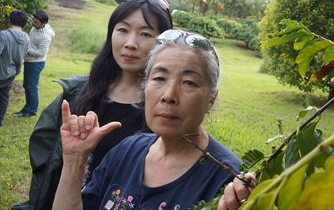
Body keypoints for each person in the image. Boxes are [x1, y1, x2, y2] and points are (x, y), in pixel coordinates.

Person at [52, 29, 254, 210]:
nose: (169, 95)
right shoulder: (126, 150)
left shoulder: (229, 182)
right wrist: (74, 161)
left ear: (211, 99)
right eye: (159, 78)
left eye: (189, 82)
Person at [12, 0, 173, 210]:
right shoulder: (77, 93)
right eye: (123, 30)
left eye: (145, 34)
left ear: (163, 43)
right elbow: (45, 159)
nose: (130, 43)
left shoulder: (167, 108)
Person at [14, 10, 56, 118]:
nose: (33, 22)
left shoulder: (45, 37)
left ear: (43, 24)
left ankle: (31, 111)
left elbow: (41, 53)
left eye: (36, 22)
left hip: (35, 63)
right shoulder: (36, 27)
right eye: (33, 20)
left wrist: (27, 50)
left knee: (31, 87)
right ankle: (27, 109)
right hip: (30, 61)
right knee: (27, 86)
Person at [0, 10, 30, 126]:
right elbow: (25, 54)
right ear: (24, 23)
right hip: (11, 72)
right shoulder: (26, 38)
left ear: (10, 20)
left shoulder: (4, 35)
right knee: (3, 96)